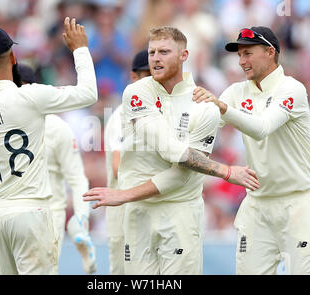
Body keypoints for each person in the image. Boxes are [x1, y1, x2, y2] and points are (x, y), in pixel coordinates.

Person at [84, 26, 259, 275]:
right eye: (152, 52)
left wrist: (125, 194)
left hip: (181, 212)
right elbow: (169, 149)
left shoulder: (205, 107)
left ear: (184, 55)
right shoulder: (135, 93)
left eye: (164, 51)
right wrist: (226, 171)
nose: (156, 58)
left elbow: (184, 174)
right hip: (139, 212)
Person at [0, 18, 98, 275]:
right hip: (31, 212)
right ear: (13, 58)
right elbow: (89, 93)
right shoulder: (31, 96)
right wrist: (80, 48)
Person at [192, 26, 310, 275]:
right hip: (257, 206)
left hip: (298, 204)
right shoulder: (236, 92)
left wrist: (222, 107)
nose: (242, 61)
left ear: (270, 52)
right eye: (239, 55)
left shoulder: (292, 89)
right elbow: (200, 130)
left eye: (248, 53)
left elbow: (262, 127)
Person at [104, 49, 151, 275]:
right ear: (134, 77)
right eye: (145, 74)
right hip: (122, 211)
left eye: (154, 73)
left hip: (146, 209)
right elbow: (117, 169)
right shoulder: (121, 116)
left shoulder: (156, 113)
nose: (151, 80)